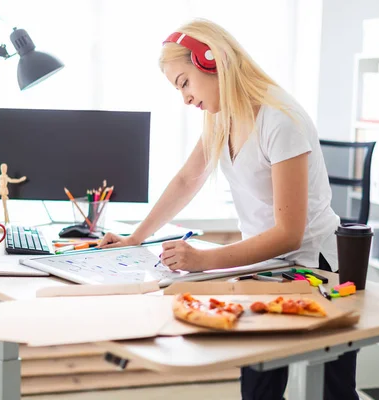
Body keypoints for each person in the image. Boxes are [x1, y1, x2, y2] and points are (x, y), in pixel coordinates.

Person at [98, 18, 358, 400]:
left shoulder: (280, 119)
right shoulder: (220, 116)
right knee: (258, 389)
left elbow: (289, 232)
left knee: (333, 392)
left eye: (184, 82)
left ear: (211, 60)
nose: (185, 98)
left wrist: (204, 260)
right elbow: (188, 179)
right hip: (265, 267)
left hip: (313, 268)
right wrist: (134, 239)